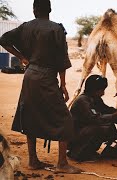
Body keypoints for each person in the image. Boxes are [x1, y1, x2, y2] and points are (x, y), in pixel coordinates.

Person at [0, 0, 82, 173]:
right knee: (65, 118)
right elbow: (61, 59)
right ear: (49, 10)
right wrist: (64, 85)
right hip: (47, 76)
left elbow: (3, 40)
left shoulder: (25, 27)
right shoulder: (56, 29)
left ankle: (33, 161)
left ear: (34, 9)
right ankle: (61, 163)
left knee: (30, 115)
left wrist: (22, 57)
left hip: (29, 76)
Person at [67, 75, 117, 162]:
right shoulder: (83, 101)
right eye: (101, 90)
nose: (103, 93)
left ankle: (89, 151)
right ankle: (78, 153)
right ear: (94, 90)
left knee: (108, 126)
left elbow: (108, 110)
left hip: (82, 131)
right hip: (75, 136)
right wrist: (115, 116)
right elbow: (95, 118)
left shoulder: (94, 98)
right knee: (98, 129)